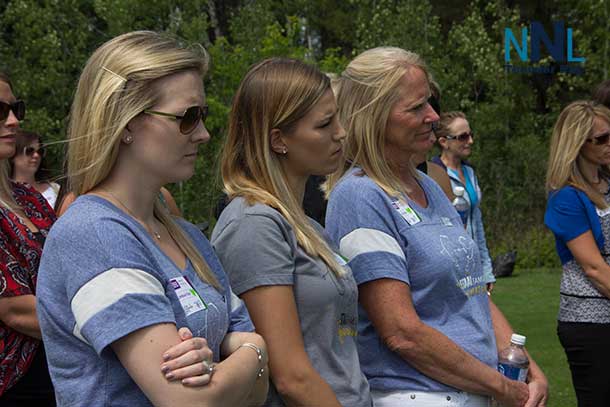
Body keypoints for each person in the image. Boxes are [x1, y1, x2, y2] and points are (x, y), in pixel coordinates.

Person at [36, 31, 268, 406]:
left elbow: (257, 394)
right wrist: (254, 351)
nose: (204, 134)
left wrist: (244, 356)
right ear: (125, 122)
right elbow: (187, 401)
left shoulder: (188, 236)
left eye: (203, 116)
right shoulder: (93, 233)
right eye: (188, 117)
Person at [324, 47, 548, 407]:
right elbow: (402, 333)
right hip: (419, 395)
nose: (433, 116)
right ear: (374, 117)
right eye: (416, 108)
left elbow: (470, 290)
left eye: (429, 102)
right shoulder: (360, 196)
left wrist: (524, 363)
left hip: (472, 389)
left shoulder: (427, 184)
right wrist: (503, 387)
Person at [211, 58, 372, 407]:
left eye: (337, 119)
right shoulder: (254, 224)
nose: (341, 133)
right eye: (325, 124)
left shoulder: (304, 224)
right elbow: (291, 377)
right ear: (278, 139)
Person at [545, 100, 610, 406]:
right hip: (591, 323)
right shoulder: (566, 197)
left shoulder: (607, 184)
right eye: (601, 139)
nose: (609, 144)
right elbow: (594, 269)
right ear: (577, 144)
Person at [0, 73, 56, 406]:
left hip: (57, 369)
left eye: (15, 108)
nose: (13, 120)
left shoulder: (29, 197)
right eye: (0, 110)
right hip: (13, 384)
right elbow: (13, 308)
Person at [432, 111, 495, 291]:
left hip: (474, 264)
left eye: (470, 135)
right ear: (444, 142)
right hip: (451, 269)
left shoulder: (469, 173)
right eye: (462, 137)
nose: (470, 141)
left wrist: (486, 270)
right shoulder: (433, 175)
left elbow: (477, 223)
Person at [10, 130, 60, 208]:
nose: (36, 155)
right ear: (13, 155)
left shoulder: (56, 190)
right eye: (29, 151)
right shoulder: (5, 195)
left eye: (40, 151)